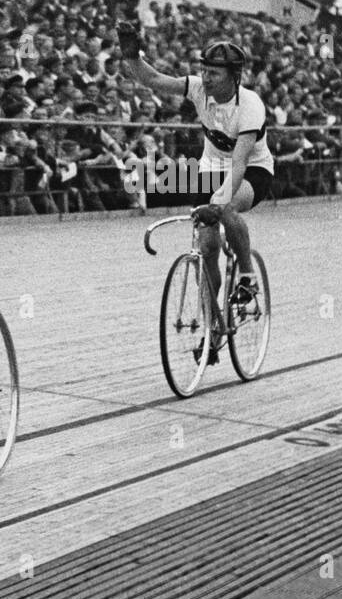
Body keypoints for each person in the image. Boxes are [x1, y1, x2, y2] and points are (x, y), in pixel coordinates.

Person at [117, 23, 273, 364]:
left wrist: (217, 203)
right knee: (207, 248)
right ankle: (213, 327)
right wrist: (131, 54)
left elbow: (239, 164)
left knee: (228, 206)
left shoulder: (250, 106)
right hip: (210, 169)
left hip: (250, 170)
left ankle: (246, 276)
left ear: (234, 75)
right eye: (204, 68)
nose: (206, 76)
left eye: (213, 72)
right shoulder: (199, 90)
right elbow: (154, 79)